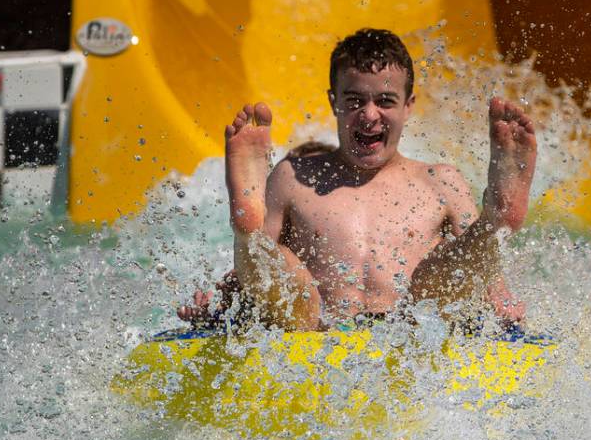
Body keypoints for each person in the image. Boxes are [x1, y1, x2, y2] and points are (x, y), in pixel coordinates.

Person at [178, 28, 536, 331]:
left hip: (414, 329)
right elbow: (257, 273)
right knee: (283, 267)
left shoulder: (440, 182)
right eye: (354, 100)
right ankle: (247, 227)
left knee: (439, 274)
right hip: (313, 331)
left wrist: (498, 296)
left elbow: (475, 268)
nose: (368, 114)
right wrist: (219, 305)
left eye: (385, 100)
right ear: (333, 101)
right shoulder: (294, 177)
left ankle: (496, 220)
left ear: (409, 105)